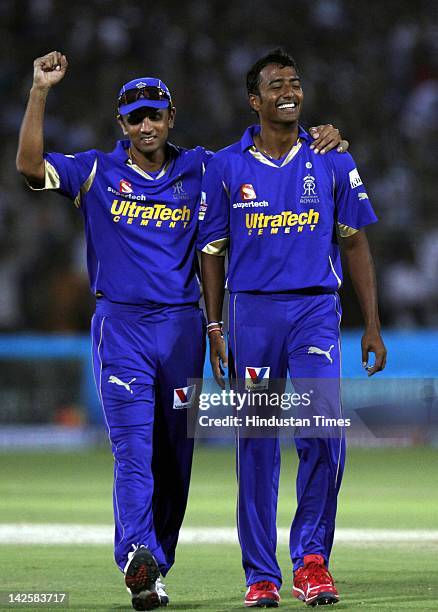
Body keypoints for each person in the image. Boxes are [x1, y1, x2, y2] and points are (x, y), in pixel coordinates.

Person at [16, 50, 348, 611]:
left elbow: (266, 152)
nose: (146, 125)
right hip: (121, 327)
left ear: (172, 118)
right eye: (135, 117)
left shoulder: (203, 168)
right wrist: (39, 91)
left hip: (183, 331)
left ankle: (155, 564)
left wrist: (318, 137)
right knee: (132, 448)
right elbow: (29, 167)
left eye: (155, 114)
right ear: (121, 125)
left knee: (175, 455)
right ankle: (137, 555)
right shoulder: (97, 170)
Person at [198, 48, 387, 608]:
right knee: (256, 445)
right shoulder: (227, 166)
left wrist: (372, 322)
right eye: (276, 84)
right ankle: (260, 574)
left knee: (323, 434)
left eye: (296, 82)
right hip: (251, 315)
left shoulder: (331, 158)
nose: (289, 90)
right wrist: (213, 324)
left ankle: (311, 560)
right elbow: (211, 250)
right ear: (253, 100)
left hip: (313, 313)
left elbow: (354, 241)